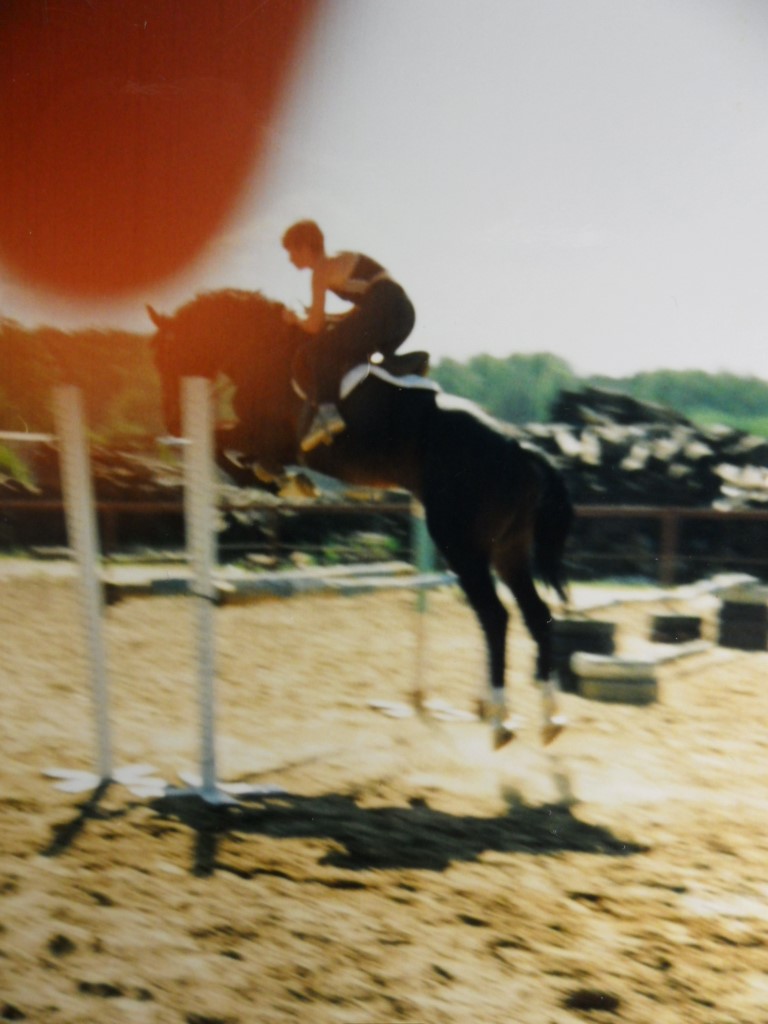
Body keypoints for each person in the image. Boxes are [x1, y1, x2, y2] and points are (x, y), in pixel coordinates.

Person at [281, 220, 416, 451]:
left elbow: (314, 327)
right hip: (402, 313)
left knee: (318, 350)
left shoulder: (321, 270)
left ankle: (327, 414)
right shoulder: (338, 260)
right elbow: (359, 313)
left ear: (305, 247)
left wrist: (296, 319)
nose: (290, 259)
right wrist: (327, 318)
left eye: (291, 251)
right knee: (345, 353)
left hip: (384, 306)